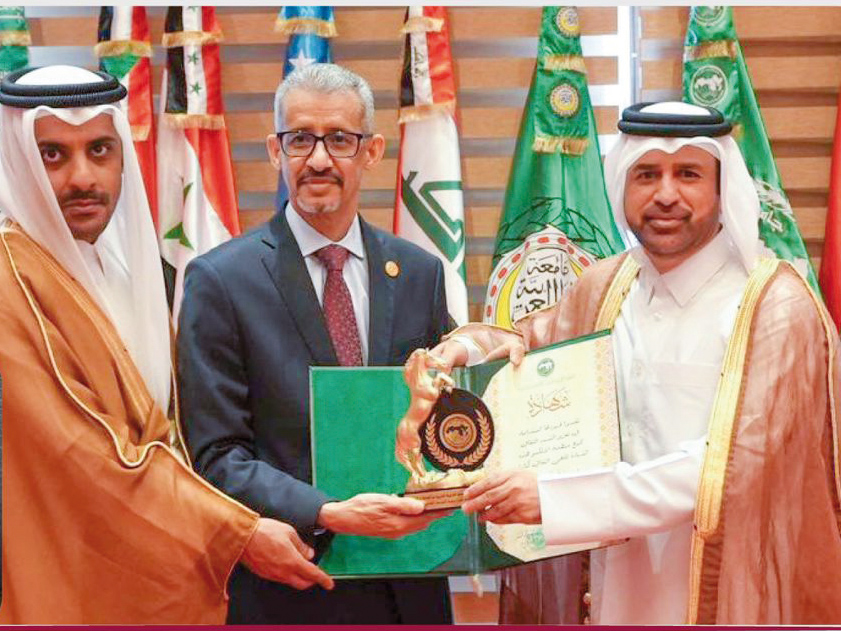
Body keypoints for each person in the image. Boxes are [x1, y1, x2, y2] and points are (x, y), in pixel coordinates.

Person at [433, 101, 841, 624]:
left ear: (722, 188)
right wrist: (465, 351)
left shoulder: (775, 306)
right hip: (610, 593)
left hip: (728, 596)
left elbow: (733, 465)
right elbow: (531, 342)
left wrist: (559, 502)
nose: (665, 194)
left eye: (688, 174)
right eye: (646, 174)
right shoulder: (606, 286)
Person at [0, 65, 333, 624]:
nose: (82, 177)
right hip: (64, 584)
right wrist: (237, 531)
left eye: (100, 150)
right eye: (53, 155)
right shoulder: (12, 283)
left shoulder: (123, 270)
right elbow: (84, 456)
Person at [177, 63, 453, 624]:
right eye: (300, 139)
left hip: (410, 586)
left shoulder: (420, 273)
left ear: (372, 151)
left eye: (340, 140)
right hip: (291, 583)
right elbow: (215, 454)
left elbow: (443, 416)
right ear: (274, 151)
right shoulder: (221, 281)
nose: (319, 159)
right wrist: (326, 511)